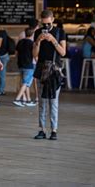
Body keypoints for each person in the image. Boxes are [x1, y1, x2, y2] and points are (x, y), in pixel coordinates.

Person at [33, 10, 66, 141]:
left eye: (48, 23)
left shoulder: (59, 32)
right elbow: (34, 54)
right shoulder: (37, 32)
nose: (45, 26)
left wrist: (53, 40)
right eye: (43, 23)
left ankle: (54, 130)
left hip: (54, 69)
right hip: (41, 69)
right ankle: (41, 130)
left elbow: (63, 52)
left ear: (52, 19)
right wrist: (38, 41)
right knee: (42, 101)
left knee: (53, 101)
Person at [13, 28, 36, 107]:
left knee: (25, 82)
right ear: (32, 35)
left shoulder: (20, 42)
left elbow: (16, 53)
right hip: (29, 65)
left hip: (20, 64)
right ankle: (17, 99)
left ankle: (28, 100)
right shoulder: (32, 43)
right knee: (26, 83)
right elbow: (34, 55)